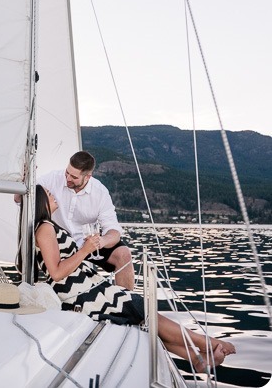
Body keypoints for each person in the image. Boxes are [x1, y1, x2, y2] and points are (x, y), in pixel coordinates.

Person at [33, 184, 236, 372]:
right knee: (140, 307)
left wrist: (86, 249)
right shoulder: (45, 227)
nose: (53, 195)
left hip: (87, 287)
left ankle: (196, 358)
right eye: (48, 194)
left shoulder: (48, 226)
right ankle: (207, 343)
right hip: (78, 294)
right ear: (41, 201)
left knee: (138, 312)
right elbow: (56, 272)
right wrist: (85, 250)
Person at [37, 151, 135, 290]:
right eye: (67, 172)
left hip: (87, 244)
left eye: (74, 177)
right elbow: (23, 196)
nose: (68, 178)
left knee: (124, 254)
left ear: (88, 176)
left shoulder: (100, 192)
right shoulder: (53, 178)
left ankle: (127, 302)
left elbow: (114, 230)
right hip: (59, 244)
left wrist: (101, 241)